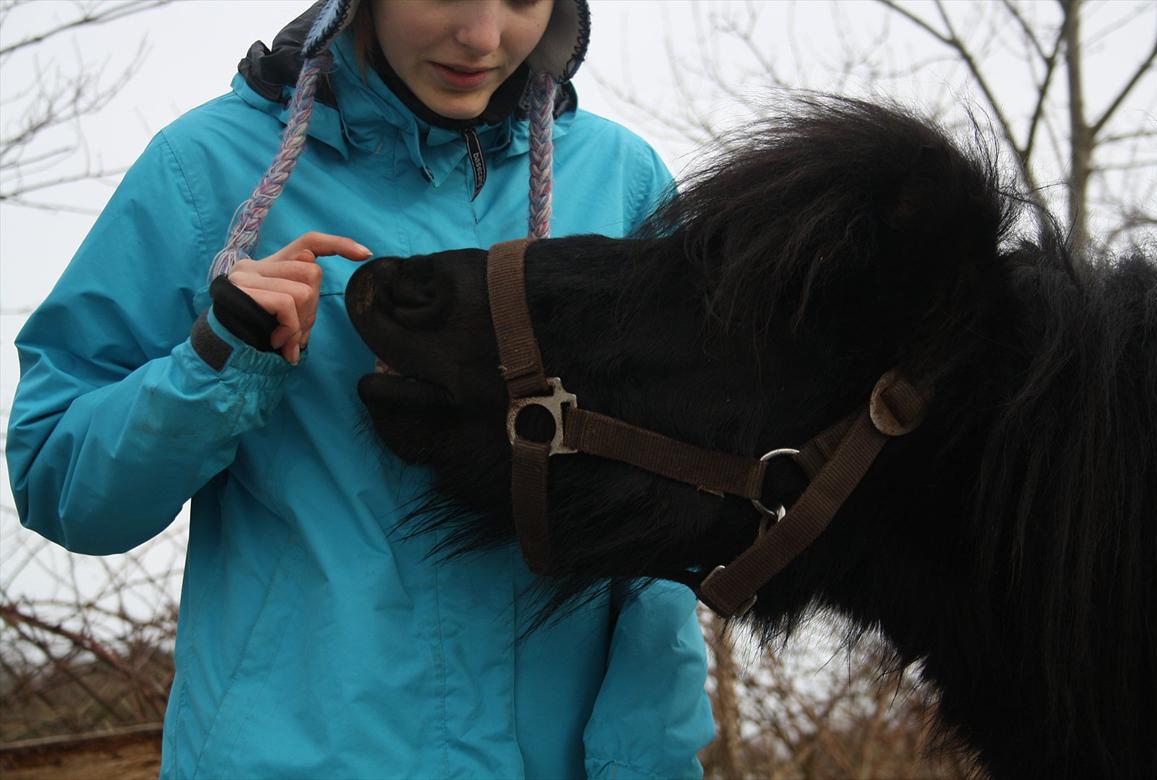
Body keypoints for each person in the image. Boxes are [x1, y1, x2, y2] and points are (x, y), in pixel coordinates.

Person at [5, 0, 716, 777]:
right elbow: (59, 483)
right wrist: (213, 359)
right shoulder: (206, 170)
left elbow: (667, 537)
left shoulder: (623, 182)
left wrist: (651, 762)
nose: (482, 38)